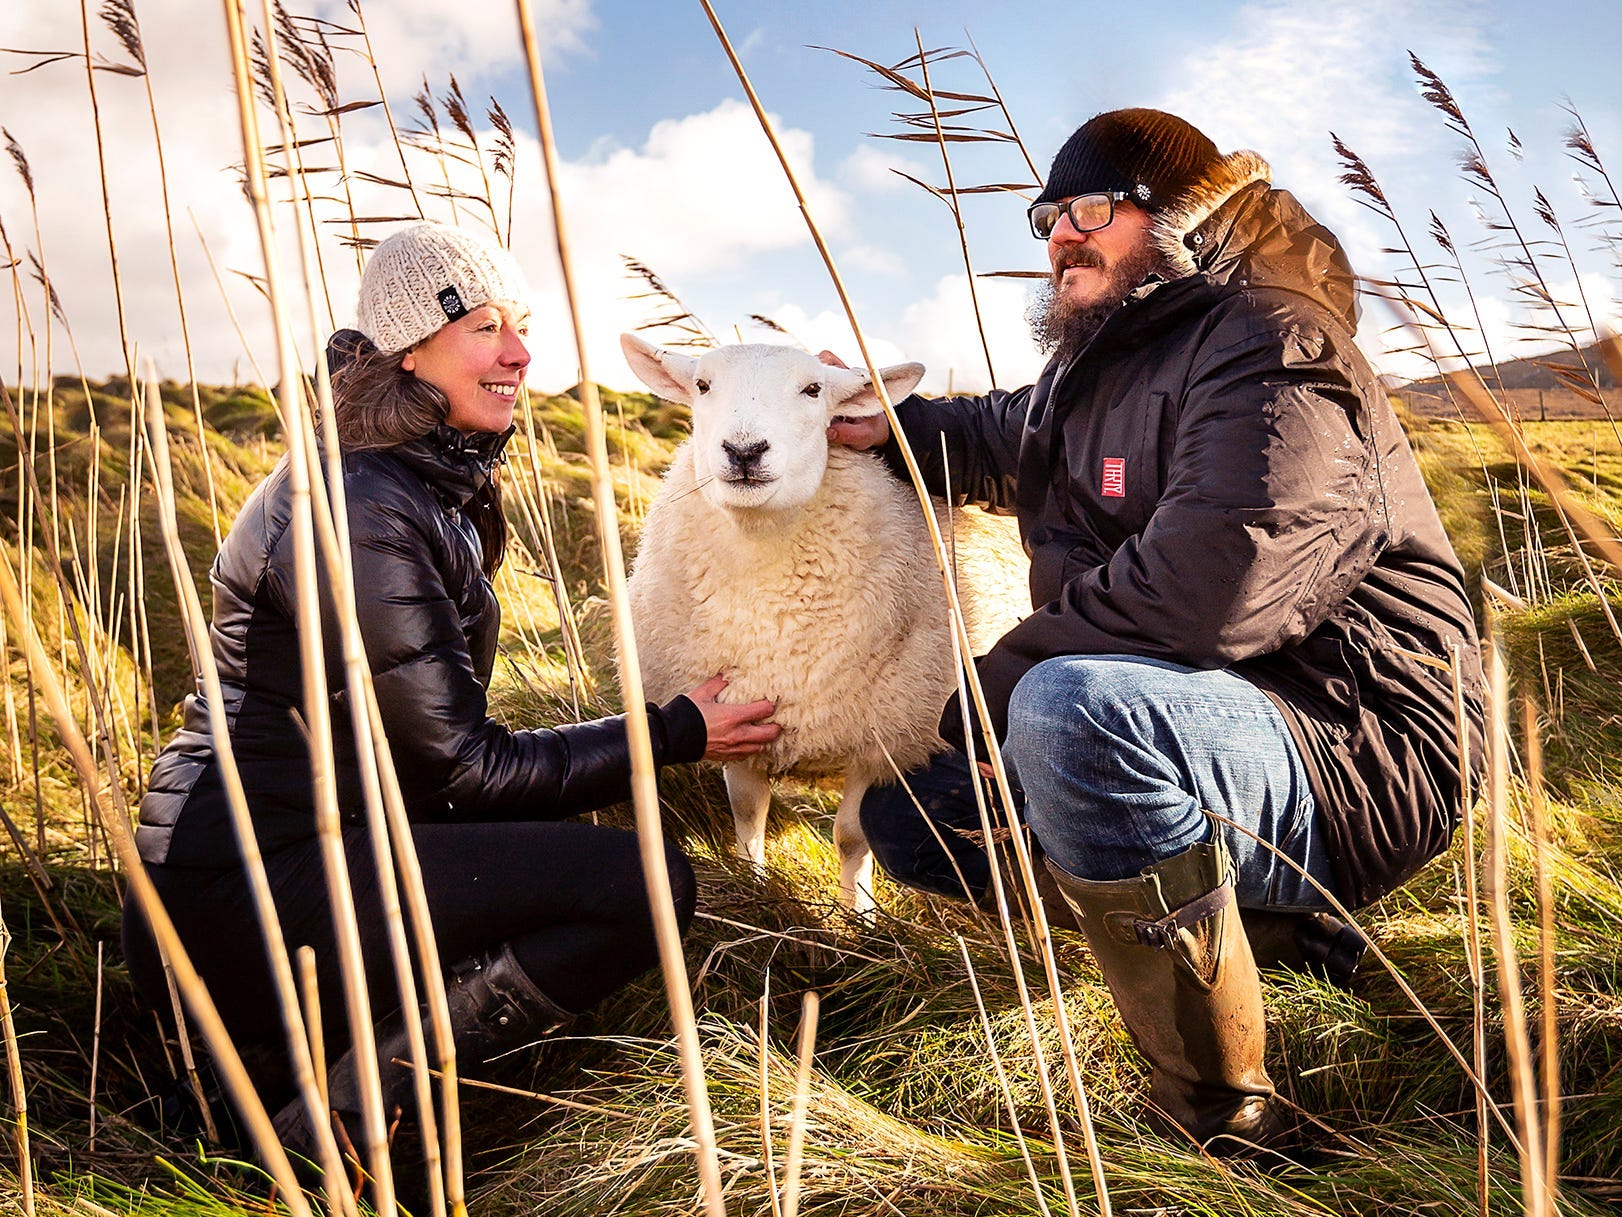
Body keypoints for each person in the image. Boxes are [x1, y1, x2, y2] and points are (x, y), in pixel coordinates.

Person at [830, 109, 1485, 1155]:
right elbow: (1004, 431)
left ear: (1174, 213)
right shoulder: (1104, 358)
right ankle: (1280, 937)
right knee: (913, 814)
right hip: (1212, 721)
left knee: (1068, 712)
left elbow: (1211, 586)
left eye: (1089, 207)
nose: (1057, 235)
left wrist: (993, 685)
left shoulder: (1275, 341)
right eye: (1046, 216)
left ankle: (1227, 1116)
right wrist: (872, 424)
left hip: (1351, 737)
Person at [120, 221, 780, 1159]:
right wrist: (674, 732)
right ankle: (338, 1110)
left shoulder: (418, 479)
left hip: (320, 844)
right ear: (409, 348)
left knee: (580, 844)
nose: (520, 353)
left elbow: (427, 760)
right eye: (484, 326)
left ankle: (337, 1059)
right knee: (641, 881)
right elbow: (463, 767)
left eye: (521, 325)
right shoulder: (362, 503)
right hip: (242, 886)